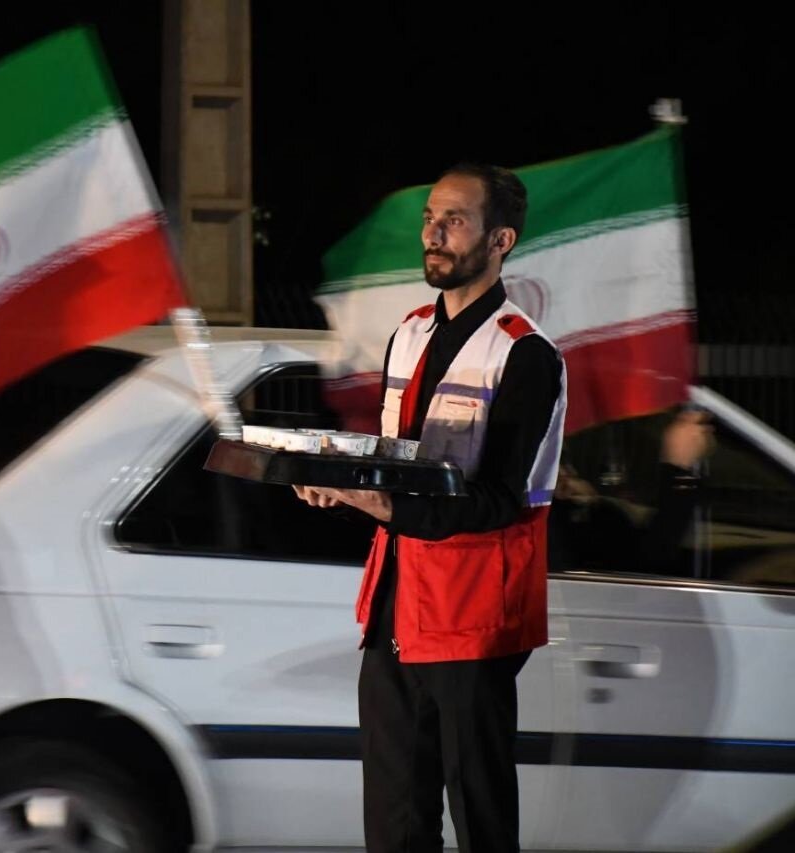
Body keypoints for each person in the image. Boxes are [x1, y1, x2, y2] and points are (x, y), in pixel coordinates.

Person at [296, 163, 565, 852]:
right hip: (395, 605)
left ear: (500, 240)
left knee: (481, 824)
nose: (434, 233)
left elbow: (499, 500)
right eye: (429, 218)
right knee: (393, 826)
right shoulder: (410, 332)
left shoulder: (525, 353)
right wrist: (341, 491)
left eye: (455, 220)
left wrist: (383, 503)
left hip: (471, 618)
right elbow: (398, 470)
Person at [550, 408, 712, 575]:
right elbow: (646, 564)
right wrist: (678, 470)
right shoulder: (553, 525)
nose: (564, 474)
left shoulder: (593, 511)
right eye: (556, 465)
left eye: (564, 463)